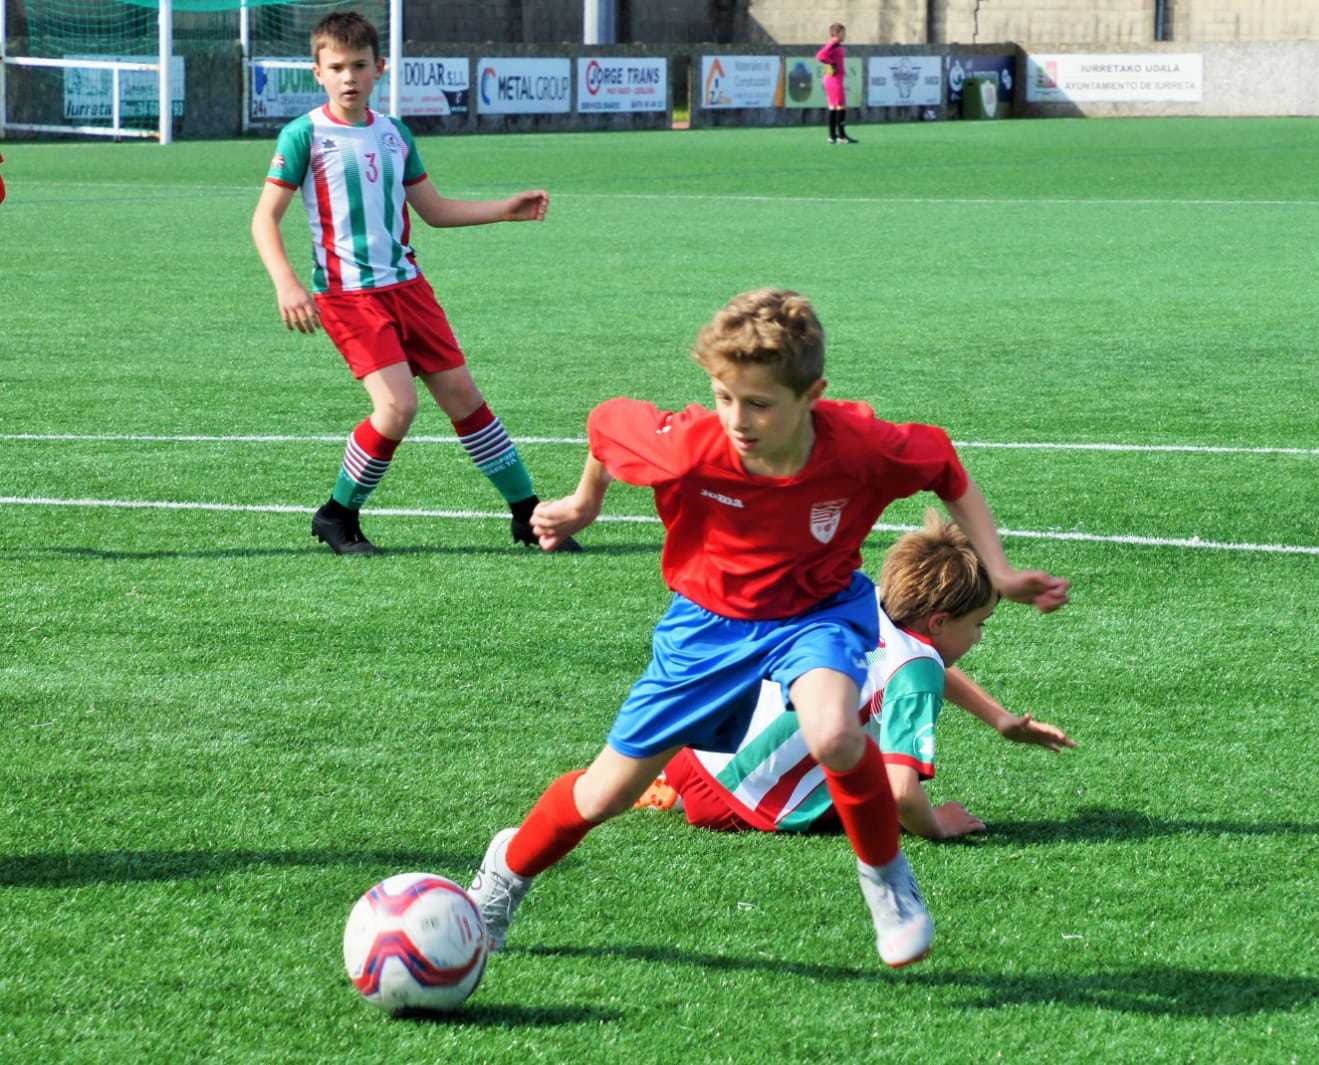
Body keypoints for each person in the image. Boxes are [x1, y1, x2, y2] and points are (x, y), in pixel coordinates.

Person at [467, 288, 1069, 969]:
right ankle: (506, 871)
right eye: (724, 396)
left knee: (835, 732)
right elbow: (608, 425)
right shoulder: (690, 447)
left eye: (758, 403)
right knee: (606, 794)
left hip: (818, 612)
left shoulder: (861, 446)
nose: (737, 419)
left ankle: (886, 876)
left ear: (813, 395)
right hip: (707, 624)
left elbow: (945, 468)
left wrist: (1001, 571)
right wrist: (582, 504)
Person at [249, 11, 576, 556]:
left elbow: (434, 210)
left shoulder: (394, 133)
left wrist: (505, 210)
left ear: (379, 68)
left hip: (409, 288)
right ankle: (337, 515)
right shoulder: (304, 134)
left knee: (464, 398)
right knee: (398, 408)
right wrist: (286, 283)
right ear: (317, 73)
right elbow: (264, 219)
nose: (349, 77)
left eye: (359, 65)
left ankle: (526, 514)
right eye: (337, 67)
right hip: (349, 296)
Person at [637, 510, 1076, 839]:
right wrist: (938, 824)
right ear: (940, 622)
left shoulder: (867, 600)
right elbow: (902, 794)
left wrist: (999, 718)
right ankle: (696, 798)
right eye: (979, 624)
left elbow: (916, 662)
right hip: (741, 802)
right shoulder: (918, 669)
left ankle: (669, 787)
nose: (978, 637)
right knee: (867, 790)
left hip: (690, 752)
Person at [816, 24, 856, 145]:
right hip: (834, 79)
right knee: (841, 106)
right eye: (843, 33)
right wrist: (832, 64)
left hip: (832, 78)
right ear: (836, 33)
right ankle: (842, 137)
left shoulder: (835, 44)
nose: (845, 35)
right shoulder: (833, 43)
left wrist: (834, 64)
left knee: (834, 107)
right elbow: (820, 56)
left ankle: (832, 136)